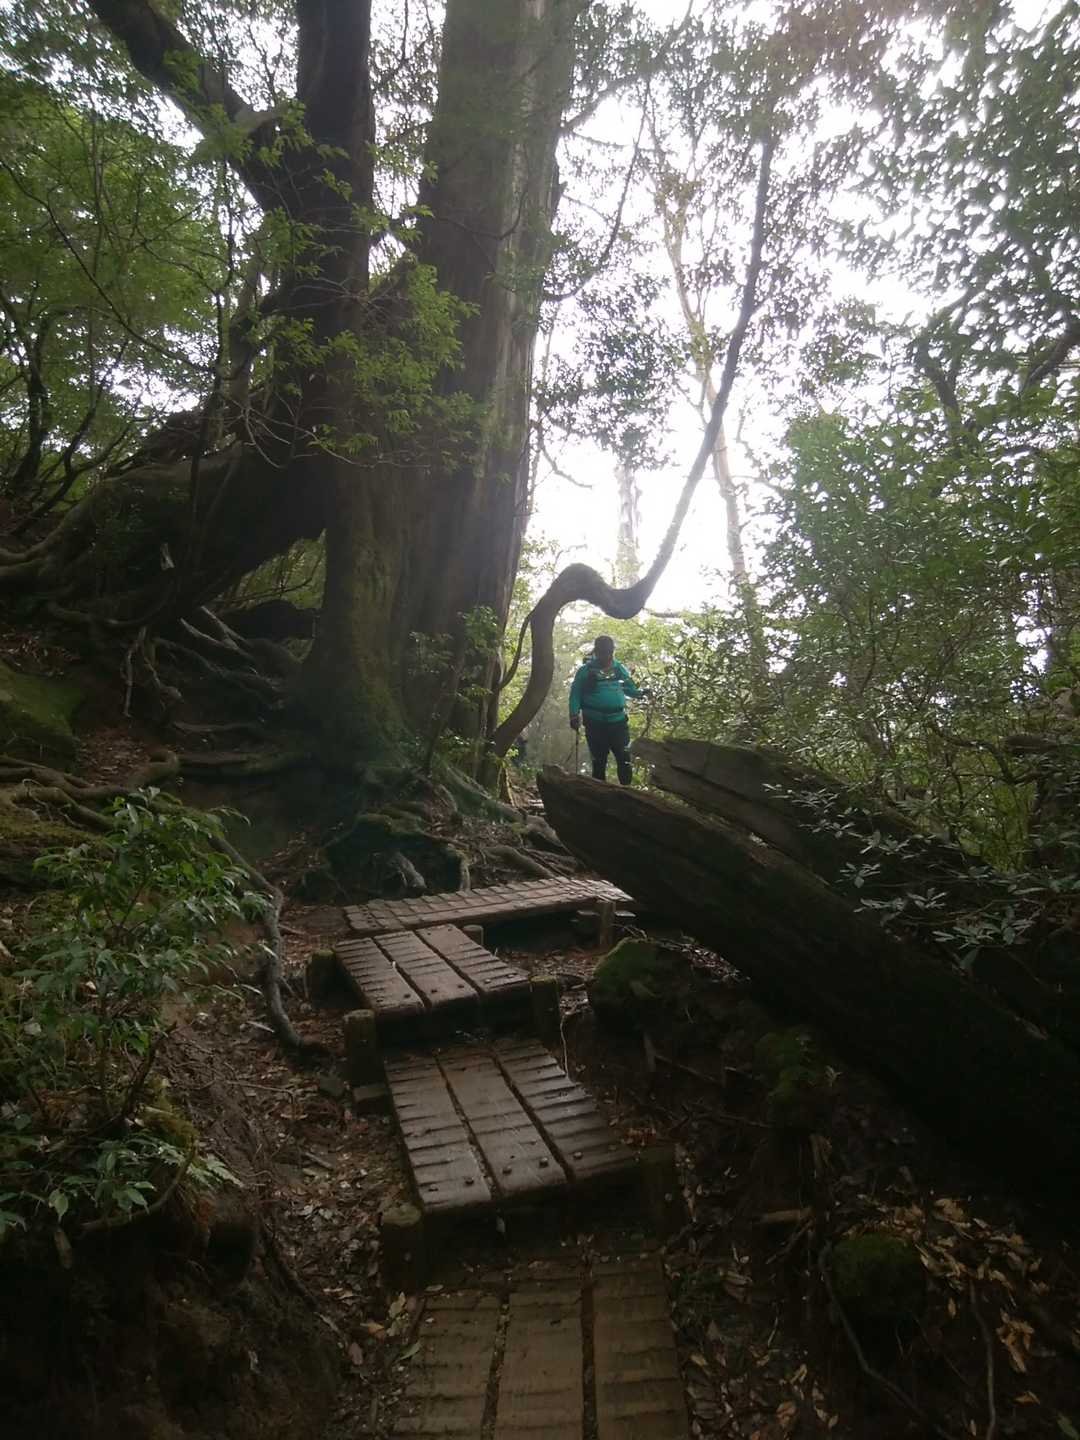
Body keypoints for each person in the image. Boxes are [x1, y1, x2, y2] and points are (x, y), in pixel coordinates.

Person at [568, 635, 648, 785]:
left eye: (609, 652)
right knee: (599, 761)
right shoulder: (585, 671)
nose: (606, 656)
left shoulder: (618, 668)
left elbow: (630, 689)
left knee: (624, 758)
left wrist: (642, 693)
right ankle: (598, 794)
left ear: (612, 651)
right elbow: (575, 694)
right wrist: (573, 714)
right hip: (594, 723)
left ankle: (627, 793)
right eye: (603, 652)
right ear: (596, 652)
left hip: (618, 722)